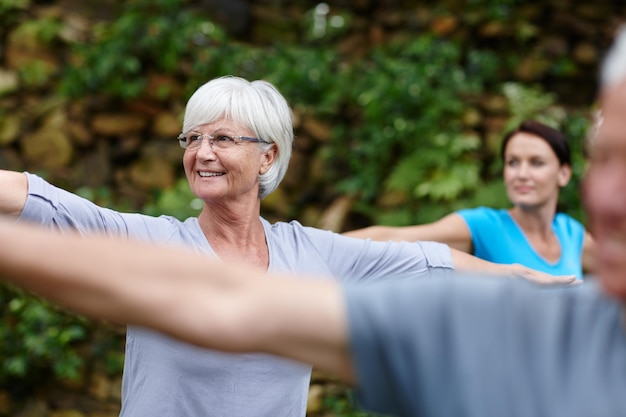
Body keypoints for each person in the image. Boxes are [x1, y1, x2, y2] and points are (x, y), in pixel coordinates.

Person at [1, 25, 626, 417]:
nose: (201, 153)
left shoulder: (312, 254)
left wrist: (515, 276)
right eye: (192, 137)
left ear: (268, 155)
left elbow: (424, 261)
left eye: (222, 138)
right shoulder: (153, 242)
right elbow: (48, 203)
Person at [344, 120, 596, 279]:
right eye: (512, 162)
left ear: (564, 173)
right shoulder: (483, 225)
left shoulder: (572, 233)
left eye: (536, 163)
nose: (521, 174)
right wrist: (314, 244)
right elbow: (393, 237)